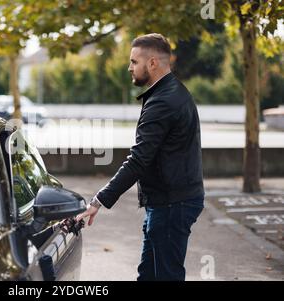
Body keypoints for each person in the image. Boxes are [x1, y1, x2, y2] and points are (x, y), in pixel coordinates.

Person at [77, 33, 205, 281]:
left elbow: (138, 159)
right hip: (169, 201)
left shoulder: (163, 101)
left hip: (171, 204)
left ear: (153, 62)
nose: (129, 67)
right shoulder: (173, 92)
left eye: (134, 61)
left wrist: (99, 200)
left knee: (165, 275)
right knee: (148, 275)